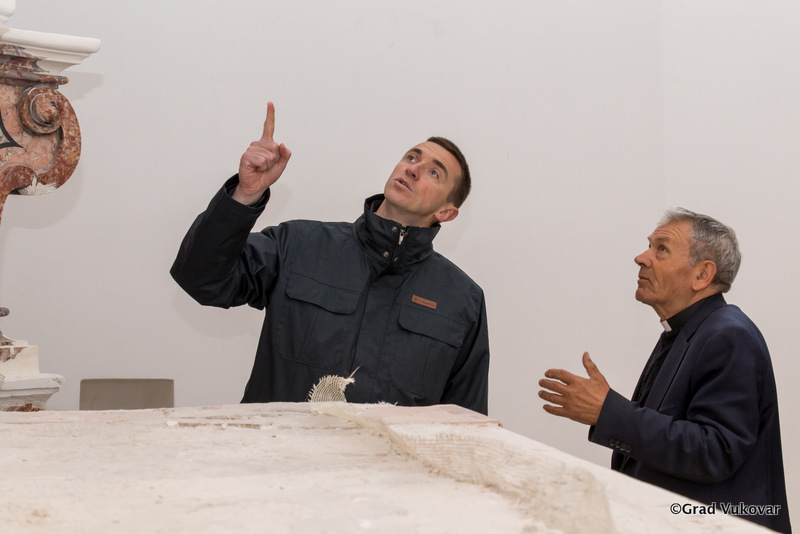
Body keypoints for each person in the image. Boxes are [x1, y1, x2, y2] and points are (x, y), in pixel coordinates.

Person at [171, 102, 489, 414]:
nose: (413, 169)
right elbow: (201, 278)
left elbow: (464, 423)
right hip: (276, 448)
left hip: (386, 453)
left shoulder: (463, 301)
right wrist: (244, 195)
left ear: (446, 212)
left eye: (434, 172)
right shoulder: (298, 245)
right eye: (411, 157)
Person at [538, 208, 791, 533]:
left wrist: (607, 412)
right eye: (649, 246)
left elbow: (715, 451)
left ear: (702, 274)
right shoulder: (687, 331)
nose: (641, 258)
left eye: (661, 249)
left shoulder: (729, 335)